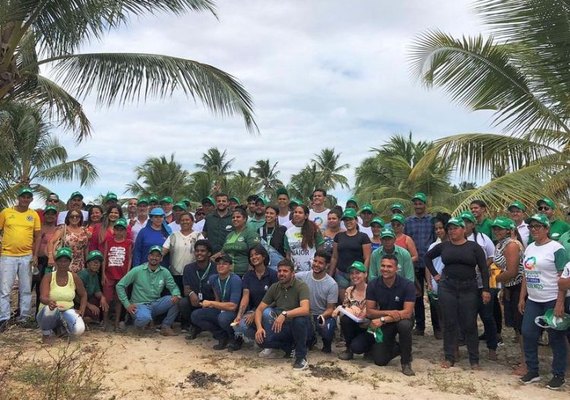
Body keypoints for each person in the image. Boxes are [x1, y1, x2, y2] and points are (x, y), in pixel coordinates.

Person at [425, 217, 490, 369]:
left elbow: (484, 269)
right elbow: (427, 257)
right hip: (447, 287)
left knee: (469, 323)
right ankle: (449, 357)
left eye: (455, 228)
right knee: (449, 323)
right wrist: (435, 274)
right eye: (450, 229)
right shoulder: (444, 246)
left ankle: (474, 360)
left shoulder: (474, 247)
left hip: (469, 288)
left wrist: (486, 289)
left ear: (463, 230)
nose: (452, 231)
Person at [518, 214, 568, 389]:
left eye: (538, 226)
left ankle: (558, 374)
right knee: (528, 333)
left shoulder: (556, 249)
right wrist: (522, 297)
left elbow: (564, 277)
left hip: (552, 299)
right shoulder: (530, 248)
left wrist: (560, 303)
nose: (534, 230)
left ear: (547, 229)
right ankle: (533, 370)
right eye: (531, 227)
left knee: (556, 338)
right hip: (534, 299)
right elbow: (526, 273)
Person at [254, 259, 311, 370]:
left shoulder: (301, 286)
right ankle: (288, 348)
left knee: (299, 320)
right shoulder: (275, 287)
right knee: (262, 340)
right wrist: (259, 328)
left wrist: (285, 314)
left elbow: (305, 309)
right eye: (279, 271)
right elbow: (259, 309)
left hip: (301, 326)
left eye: (285, 271)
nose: (281, 274)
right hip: (282, 326)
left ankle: (301, 357)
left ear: (292, 273)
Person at [366, 254, 416, 376]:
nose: (385, 269)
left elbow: (407, 312)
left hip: (402, 319)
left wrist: (383, 319)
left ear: (396, 268)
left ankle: (406, 362)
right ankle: (399, 347)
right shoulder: (373, 284)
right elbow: (369, 311)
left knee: (404, 326)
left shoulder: (407, 285)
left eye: (389, 266)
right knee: (380, 360)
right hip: (387, 320)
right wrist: (388, 313)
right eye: (383, 266)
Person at [116, 245, 180, 336]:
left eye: (157, 256)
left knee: (177, 299)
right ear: (148, 257)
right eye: (152, 255)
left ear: (161, 258)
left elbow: (173, 287)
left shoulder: (165, 272)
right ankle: (139, 325)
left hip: (155, 304)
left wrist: (176, 294)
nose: (154, 258)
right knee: (144, 318)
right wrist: (127, 305)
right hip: (139, 305)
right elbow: (120, 285)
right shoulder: (137, 270)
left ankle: (166, 326)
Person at [0, 187, 41, 329]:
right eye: (23, 196)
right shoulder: (6, 212)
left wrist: (35, 255)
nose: (25, 199)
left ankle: (24, 318)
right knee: (5, 289)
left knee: (25, 289)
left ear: (31, 199)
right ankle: (4, 318)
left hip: (26, 257)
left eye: (28, 197)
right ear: (18, 197)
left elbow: (38, 236)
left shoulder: (33, 215)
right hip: (7, 256)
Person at [491, 217, 525, 373]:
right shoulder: (500, 244)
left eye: (500, 229)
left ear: (509, 230)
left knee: (521, 328)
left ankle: (525, 363)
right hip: (508, 287)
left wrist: (491, 278)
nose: (497, 231)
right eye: (495, 228)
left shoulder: (511, 245)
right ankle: (524, 360)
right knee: (516, 327)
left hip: (518, 287)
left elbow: (512, 272)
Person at [191, 254, 242, 350]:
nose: (221, 266)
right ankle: (221, 335)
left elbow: (233, 306)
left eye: (225, 264)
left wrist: (211, 303)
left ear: (230, 266)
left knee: (223, 318)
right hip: (221, 308)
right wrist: (212, 305)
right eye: (218, 264)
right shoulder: (213, 278)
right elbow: (217, 297)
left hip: (234, 312)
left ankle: (235, 338)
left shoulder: (235, 280)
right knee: (196, 315)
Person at [37, 247, 87, 344]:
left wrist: (82, 309)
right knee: (49, 310)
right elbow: (42, 297)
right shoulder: (49, 277)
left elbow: (83, 294)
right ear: (56, 262)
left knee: (79, 329)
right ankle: (46, 334)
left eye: (65, 261)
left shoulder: (74, 277)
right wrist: (49, 302)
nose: (63, 264)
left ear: (70, 262)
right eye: (60, 261)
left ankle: (60, 327)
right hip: (50, 310)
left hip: (67, 310)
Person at [233, 246, 278, 345]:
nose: (254, 257)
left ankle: (271, 345)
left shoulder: (273, 274)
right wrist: (239, 315)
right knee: (239, 325)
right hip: (254, 309)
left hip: (271, 309)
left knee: (266, 314)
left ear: (264, 256)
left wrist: (258, 312)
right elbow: (246, 296)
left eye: (257, 254)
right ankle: (260, 341)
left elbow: (276, 299)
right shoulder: (248, 276)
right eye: (251, 256)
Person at [296, 250, 339, 353]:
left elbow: (330, 309)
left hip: (322, 315)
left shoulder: (332, 284)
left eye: (320, 263)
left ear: (327, 265)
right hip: (306, 313)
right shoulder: (302, 276)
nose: (316, 264)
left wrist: (322, 317)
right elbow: (289, 276)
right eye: (315, 261)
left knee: (327, 328)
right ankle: (310, 340)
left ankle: (326, 343)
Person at [404, 192, 434, 337]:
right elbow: (405, 240)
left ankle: (437, 327)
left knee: (434, 294)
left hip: (430, 263)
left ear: (425, 204)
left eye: (420, 203)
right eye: (415, 203)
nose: (417, 206)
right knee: (417, 296)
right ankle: (420, 326)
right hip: (414, 263)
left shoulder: (432, 220)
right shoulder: (408, 221)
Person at [330, 208, 371, 302]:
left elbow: (367, 257)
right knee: (344, 302)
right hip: (341, 274)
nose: (348, 222)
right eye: (345, 220)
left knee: (356, 302)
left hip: (357, 274)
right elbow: (334, 257)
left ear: (356, 220)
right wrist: (330, 275)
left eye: (350, 219)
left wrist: (364, 274)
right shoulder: (338, 236)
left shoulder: (363, 237)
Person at [180, 240, 217, 337]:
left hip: (212, 301)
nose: (199, 253)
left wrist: (212, 303)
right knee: (183, 303)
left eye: (202, 251)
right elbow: (186, 289)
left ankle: (215, 329)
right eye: (197, 251)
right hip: (195, 301)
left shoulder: (216, 268)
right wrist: (191, 293)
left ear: (209, 253)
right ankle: (195, 326)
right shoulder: (188, 268)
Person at [102, 218, 133, 331]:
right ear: (114, 230)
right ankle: (105, 321)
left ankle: (116, 323)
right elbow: (104, 258)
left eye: (122, 229)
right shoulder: (109, 241)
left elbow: (129, 259)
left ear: (125, 231)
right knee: (107, 299)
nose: (119, 232)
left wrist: (128, 275)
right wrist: (103, 275)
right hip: (109, 274)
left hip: (122, 276)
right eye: (117, 229)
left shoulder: (128, 242)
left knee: (119, 300)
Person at [334, 261, 369, 360]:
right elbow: (345, 308)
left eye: (357, 273)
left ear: (365, 274)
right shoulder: (349, 290)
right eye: (352, 273)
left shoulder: (372, 290)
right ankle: (348, 349)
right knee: (345, 319)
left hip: (369, 326)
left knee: (359, 347)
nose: (354, 276)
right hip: (354, 324)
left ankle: (369, 348)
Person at [162, 212, 204, 295]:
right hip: (175, 274)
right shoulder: (173, 236)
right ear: (179, 222)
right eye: (182, 220)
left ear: (192, 221)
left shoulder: (198, 236)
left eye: (187, 220)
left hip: (193, 274)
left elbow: (203, 253)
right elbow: (164, 250)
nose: (185, 222)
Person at [425, 213, 450, 340]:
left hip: (451, 285)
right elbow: (428, 265)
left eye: (441, 228)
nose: (438, 231)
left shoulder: (455, 245)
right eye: (436, 228)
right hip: (436, 284)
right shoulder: (433, 246)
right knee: (438, 312)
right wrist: (429, 282)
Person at [218, 207, 260, 277]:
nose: (235, 219)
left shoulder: (251, 233)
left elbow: (256, 254)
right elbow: (222, 253)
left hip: (244, 273)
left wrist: (250, 273)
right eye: (233, 217)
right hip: (228, 273)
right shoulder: (229, 235)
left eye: (238, 217)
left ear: (244, 219)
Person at [48, 208, 89, 273]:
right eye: (72, 216)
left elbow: (86, 248)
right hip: (65, 263)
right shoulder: (63, 229)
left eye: (77, 216)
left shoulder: (84, 230)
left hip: (80, 264)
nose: (74, 218)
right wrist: (50, 257)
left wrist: (87, 263)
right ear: (68, 218)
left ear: (81, 217)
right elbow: (51, 242)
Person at [285, 205, 325, 272]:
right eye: (295, 212)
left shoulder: (314, 230)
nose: (297, 214)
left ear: (306, 216)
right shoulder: (288, 232)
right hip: (295, 272)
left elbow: (321, 250)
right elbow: (288, 254)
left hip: (313, 271)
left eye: (300, 213)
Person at [33, 205, 58, 308]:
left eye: (53, 214)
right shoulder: (39, 227)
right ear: (44, 215)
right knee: (28, 285)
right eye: (48, 213)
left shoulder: (58, 229)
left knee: (43, 287)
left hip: (50, 261)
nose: (50, 216)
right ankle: (21, 311)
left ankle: (39, 311)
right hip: (36, 259)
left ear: (56, 216)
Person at [77, 250, 109, 323]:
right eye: (93, 261)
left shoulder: (95, 275)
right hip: (78, 301)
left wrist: (103, 298)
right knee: (89, 314)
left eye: (98, 262)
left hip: (87, 299)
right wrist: (89, 305)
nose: (96, 264)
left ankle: (100, 322)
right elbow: (76, 296)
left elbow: (97, 292)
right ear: (88, 264)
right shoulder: (83, 274)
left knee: (102, 303)